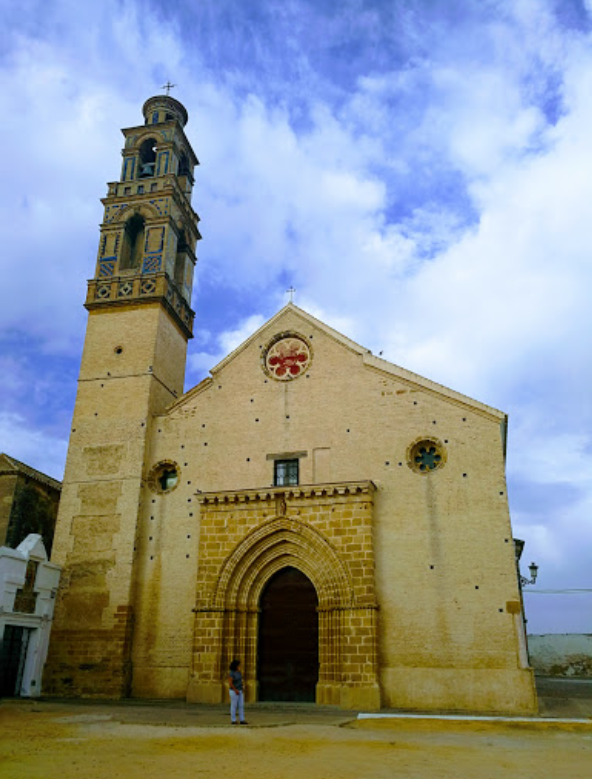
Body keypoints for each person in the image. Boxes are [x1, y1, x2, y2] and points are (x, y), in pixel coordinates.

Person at [228, 659, 247, 725]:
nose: (240, 667)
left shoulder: (239, 672)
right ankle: (233, 720)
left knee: (241, 705)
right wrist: (235, 690)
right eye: (239, 665)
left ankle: (242, 719)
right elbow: (230, 683)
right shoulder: (232, 673)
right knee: (234, 705)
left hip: (240, 690)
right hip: (234, 691)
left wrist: (242, 687)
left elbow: (240, 680)